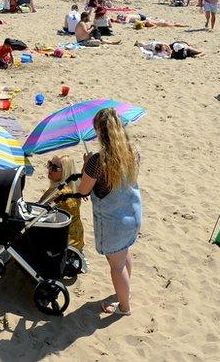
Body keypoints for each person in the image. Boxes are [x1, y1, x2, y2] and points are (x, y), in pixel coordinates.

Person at [78, 108, 142, 316]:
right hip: (132, 214)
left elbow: (83, 190)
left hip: (113, 222)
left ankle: (124, 307)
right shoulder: (132, 152)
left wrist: (85, 165)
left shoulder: (98, 161)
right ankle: (125, 294)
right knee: (124, 255)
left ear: (100, 132)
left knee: (116, 266)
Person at [40, 154, 84, 250]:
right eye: (50, 164)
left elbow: (39, 210)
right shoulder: (75, 187)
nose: (50, 169)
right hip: (77, 240)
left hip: (65, 243)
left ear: (65, 172)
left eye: (55, 168)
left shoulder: (57, 194)